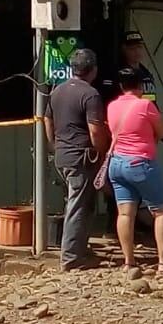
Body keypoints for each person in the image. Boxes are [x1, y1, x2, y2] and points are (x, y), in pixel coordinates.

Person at [106, 67, 163, 273]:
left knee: (125, 214)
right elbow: (162, 131)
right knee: (161, 211)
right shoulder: (145, 105)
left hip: (117, 163)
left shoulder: (112, 106)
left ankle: (129, 261)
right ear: (141, 85)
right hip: (141, 163)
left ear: (121, 86)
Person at [43, 48, 109, 271]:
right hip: (81, 157)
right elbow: (95, 131)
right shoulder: (91, 95)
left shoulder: (57, 91)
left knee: (81, 203)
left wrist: (53, 143)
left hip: (62, 155)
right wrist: (101, 153)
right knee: (78, 206)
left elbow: (46, 119)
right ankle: (71, 257)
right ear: (93, 70)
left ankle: (79, 248)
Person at [102, 31, 158, 236]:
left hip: (143, 137)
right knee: (116, 185)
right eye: (132, 47)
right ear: (124, 49)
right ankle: (113, 224)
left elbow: (153, 104)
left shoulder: (146, 75)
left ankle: (132, 222)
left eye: (139, 47)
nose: (137, 52)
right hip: (119, 137)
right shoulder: (115, 74)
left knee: (139, 181)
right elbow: (106, 106)